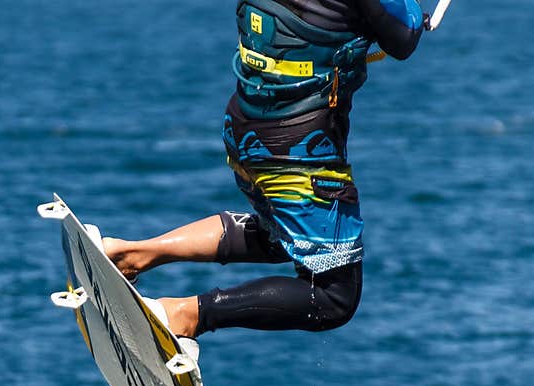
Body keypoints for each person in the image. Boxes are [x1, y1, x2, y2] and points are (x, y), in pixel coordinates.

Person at [103, 0, 425, 361]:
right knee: (335, 298)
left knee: (282, 237)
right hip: (298, 154)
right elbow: (404, 37)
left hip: (245, 133)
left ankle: (131, 254)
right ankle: (184, 315)